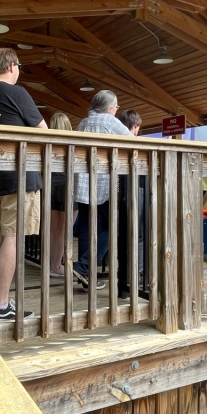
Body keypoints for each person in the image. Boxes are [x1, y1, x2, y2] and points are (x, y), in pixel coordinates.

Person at [0, 47, 47, 320]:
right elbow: (43, 132)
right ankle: (1, 305)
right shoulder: (16, 93)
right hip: (18, 176)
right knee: (12, 238)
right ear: (12, 66)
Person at [73, 91, 131, 290]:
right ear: (109, 107)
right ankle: (83, 266)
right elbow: (132, 141)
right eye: (116, 106)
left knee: (85, 229)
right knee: (109, 226)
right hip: (104, 183)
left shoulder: (83, 123)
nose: (116, 110)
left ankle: (86, 276)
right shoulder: (110, 121)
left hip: (83, 183)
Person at [115, 109, 148, 299]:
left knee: (122, 237)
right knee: (140, 235)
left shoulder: (116, 141)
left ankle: (124, 284)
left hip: (118, 194)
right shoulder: (136, 143)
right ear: (135, 127)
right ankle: (137, 276)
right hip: (136, 192)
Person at [48, 112, 73, 278]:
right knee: (64, 230)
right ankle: (56, 265)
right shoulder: (70, 143)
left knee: (52, 230)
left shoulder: (47, 143)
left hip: (50, 186)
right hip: (66, 186)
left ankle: (50, 263)